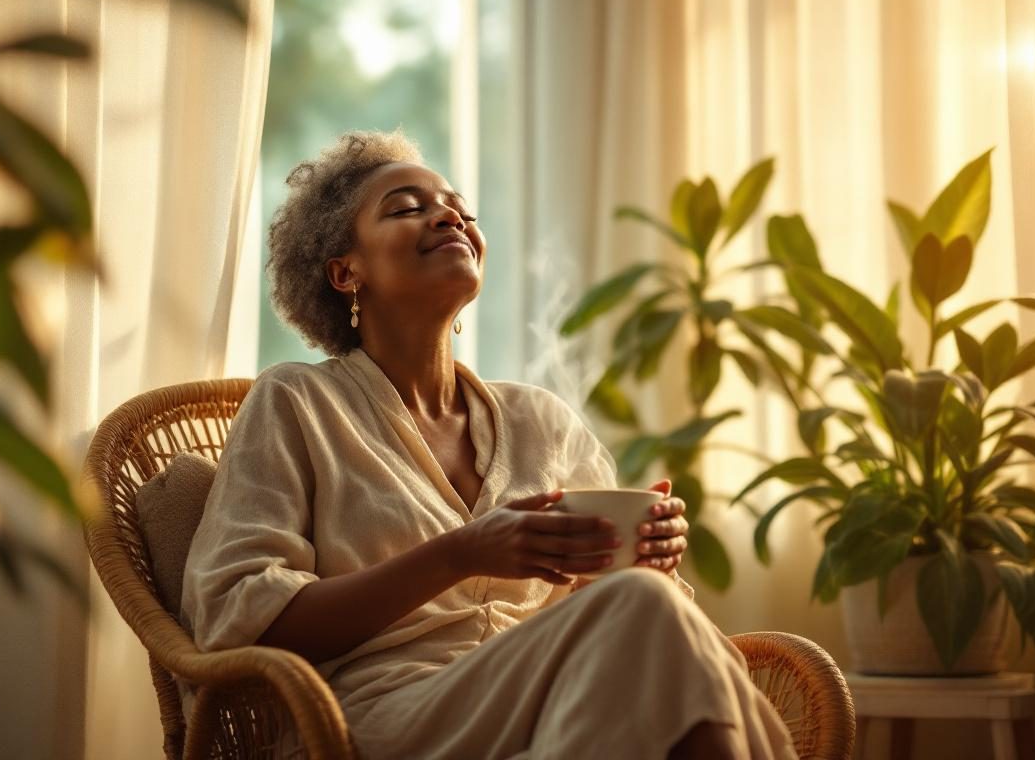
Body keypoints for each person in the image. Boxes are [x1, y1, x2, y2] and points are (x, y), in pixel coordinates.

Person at [180, 130, 797, 759]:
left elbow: (606, 607)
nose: (449, 215)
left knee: (650, 603)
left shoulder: (541, 420)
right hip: (382, 716)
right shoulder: (296, 404)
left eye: (460, 209)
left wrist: (639, 556)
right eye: (406, 207)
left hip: (551, 703)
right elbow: (237, 618)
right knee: (645, 610)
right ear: (345, 271)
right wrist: (461, 553)